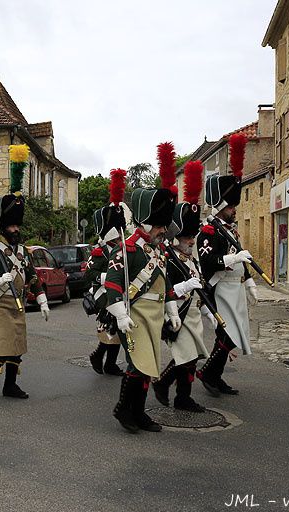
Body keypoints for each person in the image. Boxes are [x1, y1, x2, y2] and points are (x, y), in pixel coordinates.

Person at [105, 142, 178, 433]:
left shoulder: (156, 251)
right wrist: (120, 315)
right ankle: (125, 409)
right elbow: (112, 283)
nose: (163, 230)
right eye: (159, 225)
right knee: (138, 364)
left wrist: (171, 308)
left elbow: (165, 281)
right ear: (146, 223)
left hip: (154, 315)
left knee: (149, 365)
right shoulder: (128, 249)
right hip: (133, 314)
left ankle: (139, 412)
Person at [0, 144, 49, 399]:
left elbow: (31, 275)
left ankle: (10, 385)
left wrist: (41, 299)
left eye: (18, 224)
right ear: (4, 226)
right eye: (12, 225)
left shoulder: (23, 250)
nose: (17, 229)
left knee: (17, 347)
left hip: (19, 303)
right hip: (0, 303)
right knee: (6, 345)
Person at [195, 134, 258, 395]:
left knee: (231, 335)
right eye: (230, 205)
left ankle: (214, 375)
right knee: (227, 335)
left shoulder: (228, 229)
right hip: (219, 288)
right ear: (221, 206)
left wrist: (250, 279)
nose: (234, 210)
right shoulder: (209, 230)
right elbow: (209, 261)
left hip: (234, 288)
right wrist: (233, 259)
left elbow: (241, 254)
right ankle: (208, 373)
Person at [153, 160, 214, 412]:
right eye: (187, 237)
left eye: (192, 236)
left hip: (193, 314)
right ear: (176, 237)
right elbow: (164, 289)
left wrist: (209, 311)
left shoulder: (191, 258)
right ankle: (178, 394)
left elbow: (200, 287)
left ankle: (173, 391)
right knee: (186, 358)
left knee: (191, 358)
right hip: (176, 313)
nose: (191, 240)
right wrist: (185, 287)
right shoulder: (167, 258)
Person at [84, 168, 127, 376]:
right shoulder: (100, 252)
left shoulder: (122, 249)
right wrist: (108, 277)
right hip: (103, 294)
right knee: (112, 329)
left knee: (117, 330)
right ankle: (101, 358)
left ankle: (107, 362)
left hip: (118, 292)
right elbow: (89, 275)